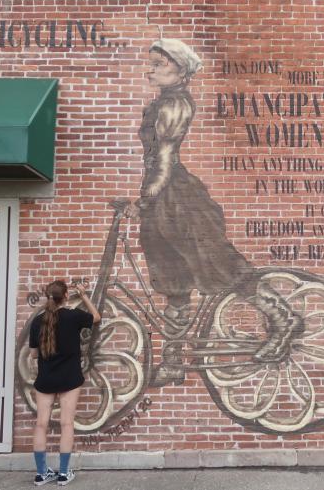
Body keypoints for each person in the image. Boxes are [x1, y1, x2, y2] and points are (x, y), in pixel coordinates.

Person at [126, 39, 304, 386]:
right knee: (173, 282)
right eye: (151, 63)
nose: (151, 69)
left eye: (159, 64)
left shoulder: (175, 105)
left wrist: (144, 200)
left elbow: (164, 160)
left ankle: (283, 318)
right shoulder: (160, 102)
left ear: (180, 70)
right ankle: (174, 362)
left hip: (177, 200)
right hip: (160, 200)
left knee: (220, 264)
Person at [28, 280, 101, 486]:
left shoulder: (38, 321)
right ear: (66, 295)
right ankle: (63, 473)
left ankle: (42, 473)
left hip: (46, 379)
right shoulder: (73, 316)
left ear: (48, 296)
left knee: (41, 424)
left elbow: (33, 355)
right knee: (66, 424)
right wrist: (84, 295)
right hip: (70, 378)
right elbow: (96, 317)